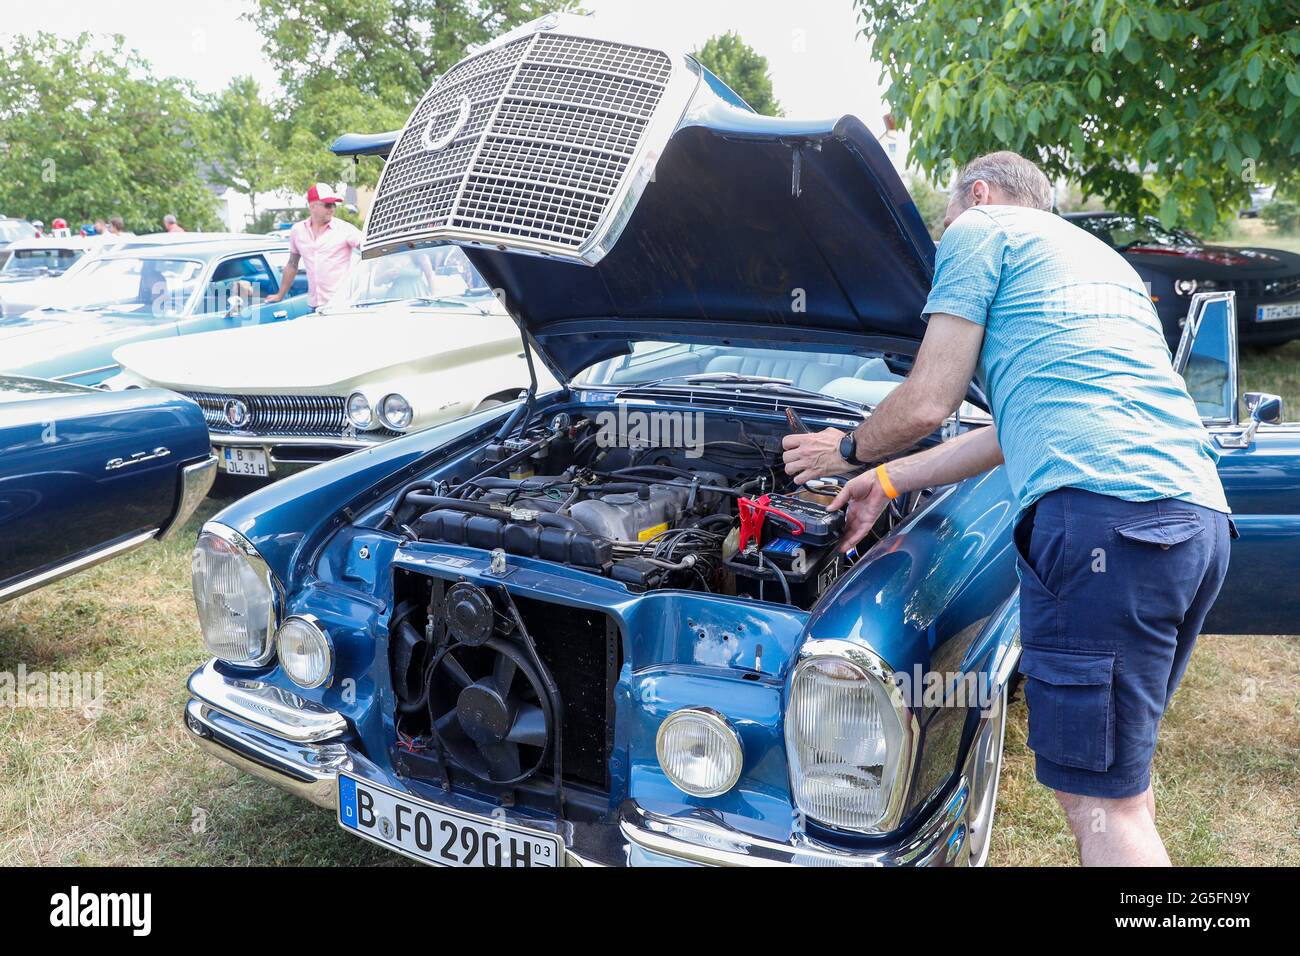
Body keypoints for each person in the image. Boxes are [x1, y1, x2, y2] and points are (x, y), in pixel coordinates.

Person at [781, 151, 1231, 867]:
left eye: (946, 223)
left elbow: (929, 400)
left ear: (979, 194)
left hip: (1105, 523)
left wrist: (849, 449)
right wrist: (890, 481)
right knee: (1119, 786)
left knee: (1104, 813)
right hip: (1196, 521)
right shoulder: (1094, 259)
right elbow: (1005, 429)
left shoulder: (981, 229)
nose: (946, 240)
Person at [266, 183, 361, 310]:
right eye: (327, 205)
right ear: (312, 206)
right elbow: (292, 264)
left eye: (334, 204)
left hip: (341, 305)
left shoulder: (345, 229)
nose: (332, 209)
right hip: (313, 306)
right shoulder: (297, 231)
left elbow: (370, 249)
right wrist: (280, 295)